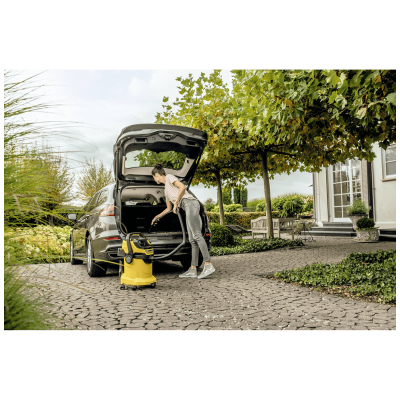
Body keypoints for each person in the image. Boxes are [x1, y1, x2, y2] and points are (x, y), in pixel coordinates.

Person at [151, 162, 215, 279]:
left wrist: (176, 203)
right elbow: (168, 208)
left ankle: (208, 264)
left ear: (157, 175)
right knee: (192, 239)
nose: (154, 179)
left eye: (153, 177)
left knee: (197, 235)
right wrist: (157, 216)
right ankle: (193, 269)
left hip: (190, 203)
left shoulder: (169, 177)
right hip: (186, 206)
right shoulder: (166, 190)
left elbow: (182, 187)